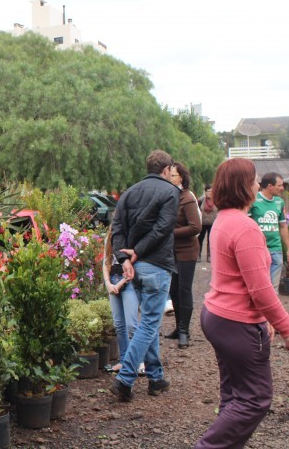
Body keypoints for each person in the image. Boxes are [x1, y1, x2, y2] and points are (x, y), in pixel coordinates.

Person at [195, 158, 289, 448]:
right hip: (235, 322)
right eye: (254, 180)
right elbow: (261, 289)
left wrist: (265, 320)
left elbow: (242, 280)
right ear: (244, 186)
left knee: (234, 396)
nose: (257, 185)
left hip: (218, 317)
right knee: (255, 399)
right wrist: (286, 326)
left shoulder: (223, 220)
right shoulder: (245, 227)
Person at [109, 149, 179, 402]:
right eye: (171, 171)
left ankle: (156, 377)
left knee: (148, 324)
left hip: (132, 269)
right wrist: (136, 253)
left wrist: (125, 258)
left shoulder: (128, 193)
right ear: (165, 170)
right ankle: (125, 379)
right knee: (149, 323)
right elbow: (163, 228)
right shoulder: (171, 192)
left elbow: (116, 229)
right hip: (156, 265)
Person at [164, 161, 201, 348]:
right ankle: (178, 327)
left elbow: (196, 227)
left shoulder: (187, 198)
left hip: (186, 250)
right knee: (173, 290)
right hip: (171, 251)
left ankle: (185, 331)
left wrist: (170, 233)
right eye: (168, 174)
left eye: (173, 175)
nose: (169, 178)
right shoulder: (168, 196)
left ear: (181, 178)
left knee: (184, 289)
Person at [248, 172, 289, 291]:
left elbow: (283, 226)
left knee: (273, 288)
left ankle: (272, 304)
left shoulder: (279, 202)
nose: (282, 188)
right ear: (270, 186)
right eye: (279, 185)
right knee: (260, 284)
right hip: (258, 249)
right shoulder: (254, 200)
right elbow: (246, 223)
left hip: (276, 249)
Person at [102, 225, 139, 373]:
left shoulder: (133, 237)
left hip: (129, 282)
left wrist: (119, 284)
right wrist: (108, 284)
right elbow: (106, 262)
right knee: (119, 324)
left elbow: (134, 264)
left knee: (132, 325)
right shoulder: (110, 237)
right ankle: (124, 361)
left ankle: (139, 360)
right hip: (113, 278)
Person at [197, 184, 217, 261]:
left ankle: (209, 256)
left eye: (212, 191)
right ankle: (198, 255)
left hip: (212, 223)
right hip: (202, 223)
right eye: (208, 191)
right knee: (200, 239)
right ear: (205, 192)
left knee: (210, 240)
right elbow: (197, 210)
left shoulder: (216, 200)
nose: (210, 193)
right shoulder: (201, 200)